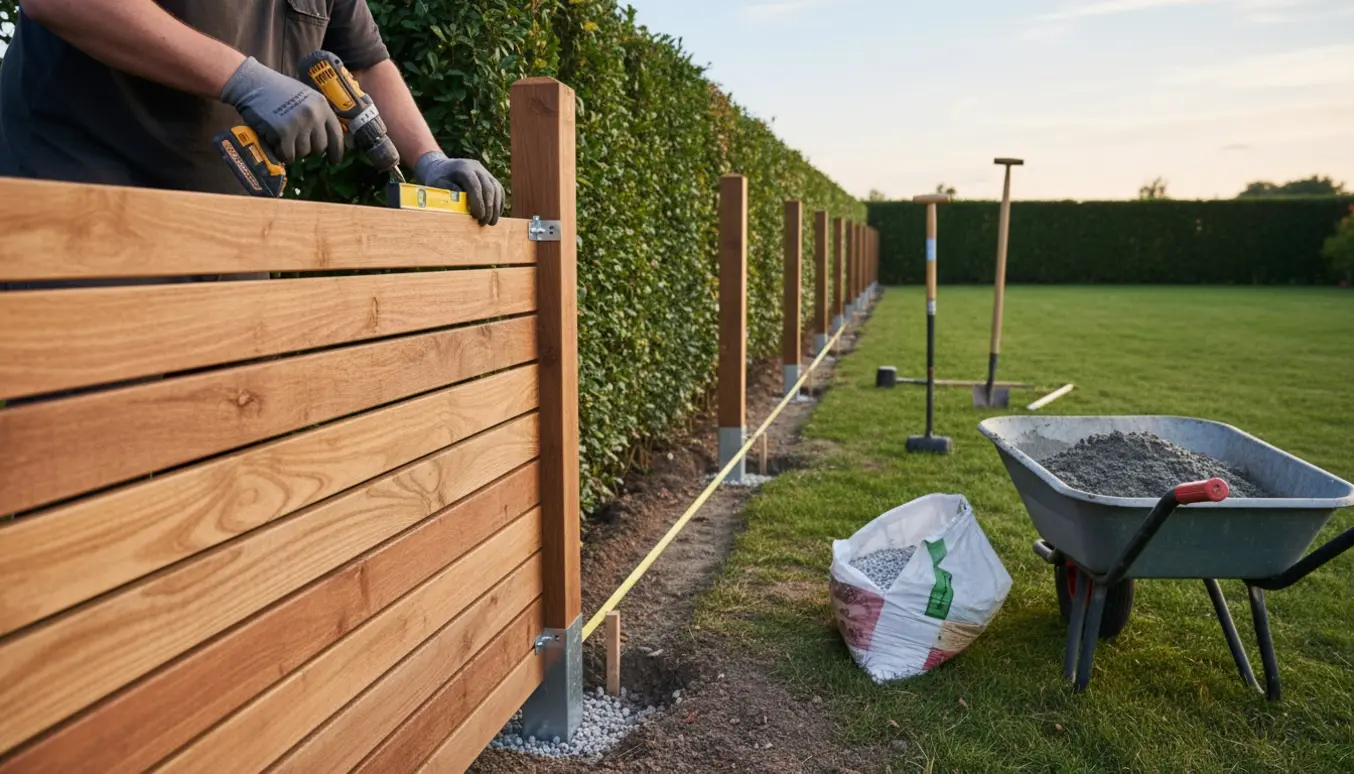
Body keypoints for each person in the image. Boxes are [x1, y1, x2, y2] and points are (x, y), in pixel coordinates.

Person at [0, 0, 505, 225]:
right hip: (82, 199)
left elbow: (367, 62)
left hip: (228, 223)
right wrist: (243, 78)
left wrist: (430, 159)